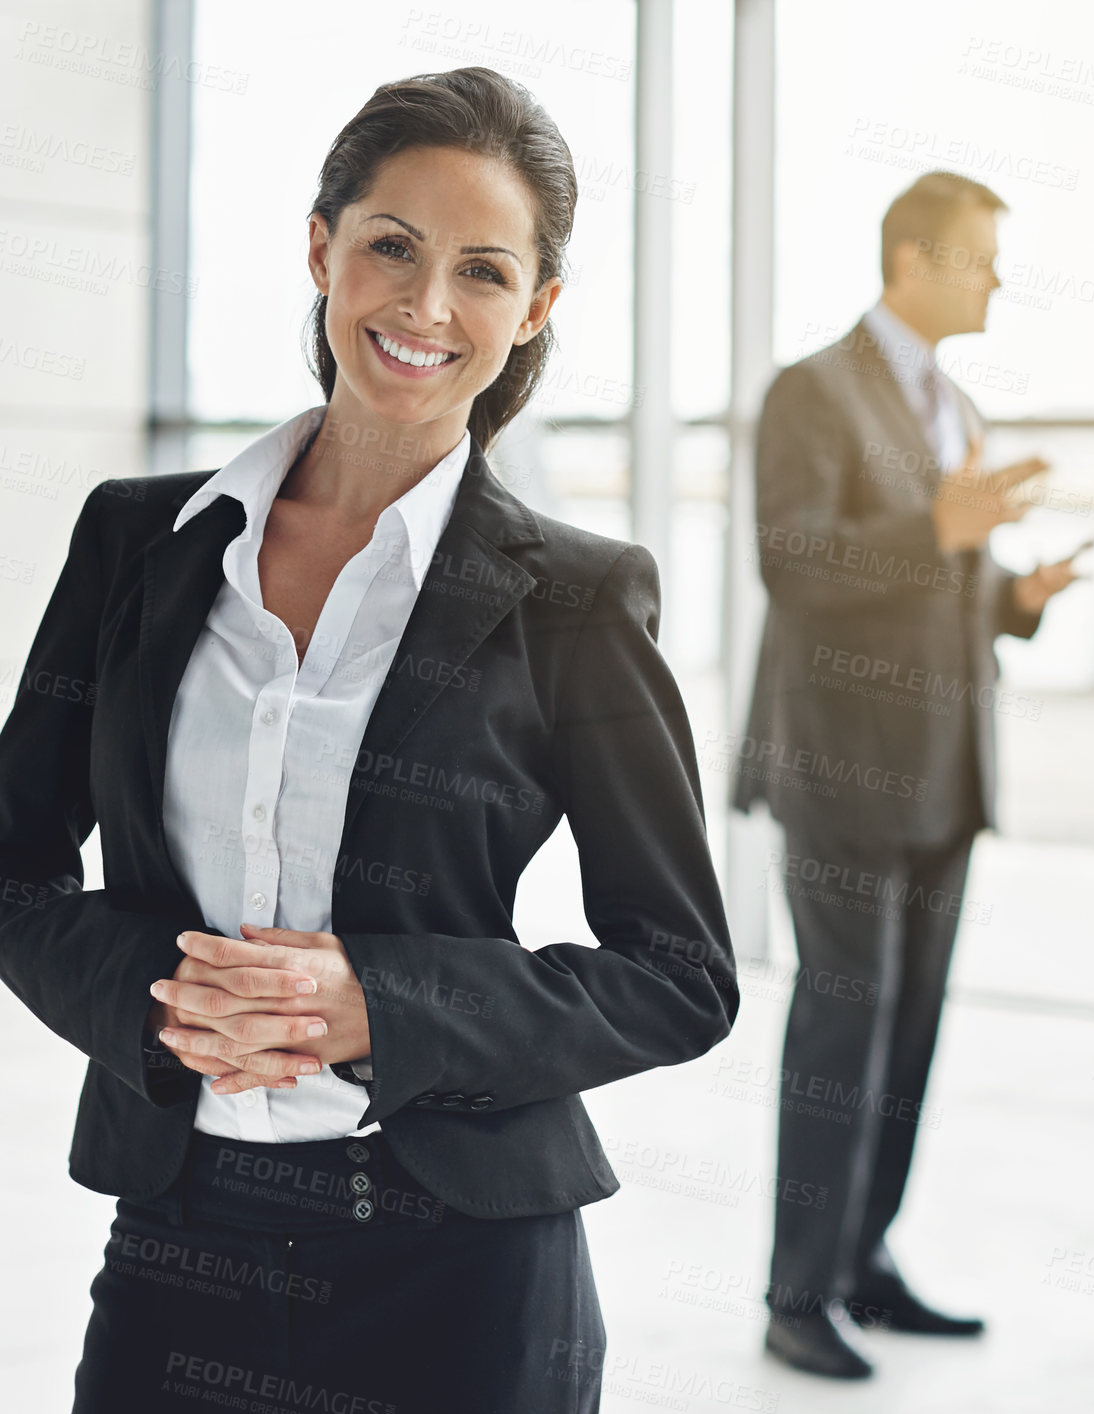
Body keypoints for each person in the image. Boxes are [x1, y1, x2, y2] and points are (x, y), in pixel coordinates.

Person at [0, 67, 737, 1414]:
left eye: (482, 272)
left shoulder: (573, 598)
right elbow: (12, 864)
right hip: (180, 1238)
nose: (424, 306)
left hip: (461, 1271)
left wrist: (381, 1006)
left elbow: (681, 971)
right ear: (320, 246)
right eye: (391, 245)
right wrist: (155, 990)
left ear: (535, 313)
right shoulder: (136, 543)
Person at [732, 171, 1084, 1379]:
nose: (997, 281)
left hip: (945, 772)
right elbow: (793, 560)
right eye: (982, 258)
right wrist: (939, 528)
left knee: (911, 1033)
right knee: (843, 1026)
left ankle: (862, 1262)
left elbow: (952, 581)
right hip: (842, 766)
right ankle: (797, 1293)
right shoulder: (811, 391)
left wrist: (1017, 596)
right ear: (914, 262)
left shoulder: (959, 404)